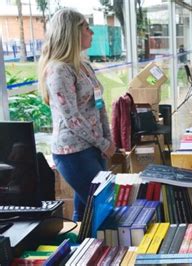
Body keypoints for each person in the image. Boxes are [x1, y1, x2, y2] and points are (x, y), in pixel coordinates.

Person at [38, 8, 115, 221]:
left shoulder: (84, 67)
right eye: (87, 28)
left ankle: (82, 251)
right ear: (72, 33)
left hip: (93, 148)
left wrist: (107, 140)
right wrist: (102, 143)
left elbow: (99, 106)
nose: (92, 33)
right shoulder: (59, 71)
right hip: (73, 153)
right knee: (104, 209)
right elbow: (72, 119)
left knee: (86, 213)